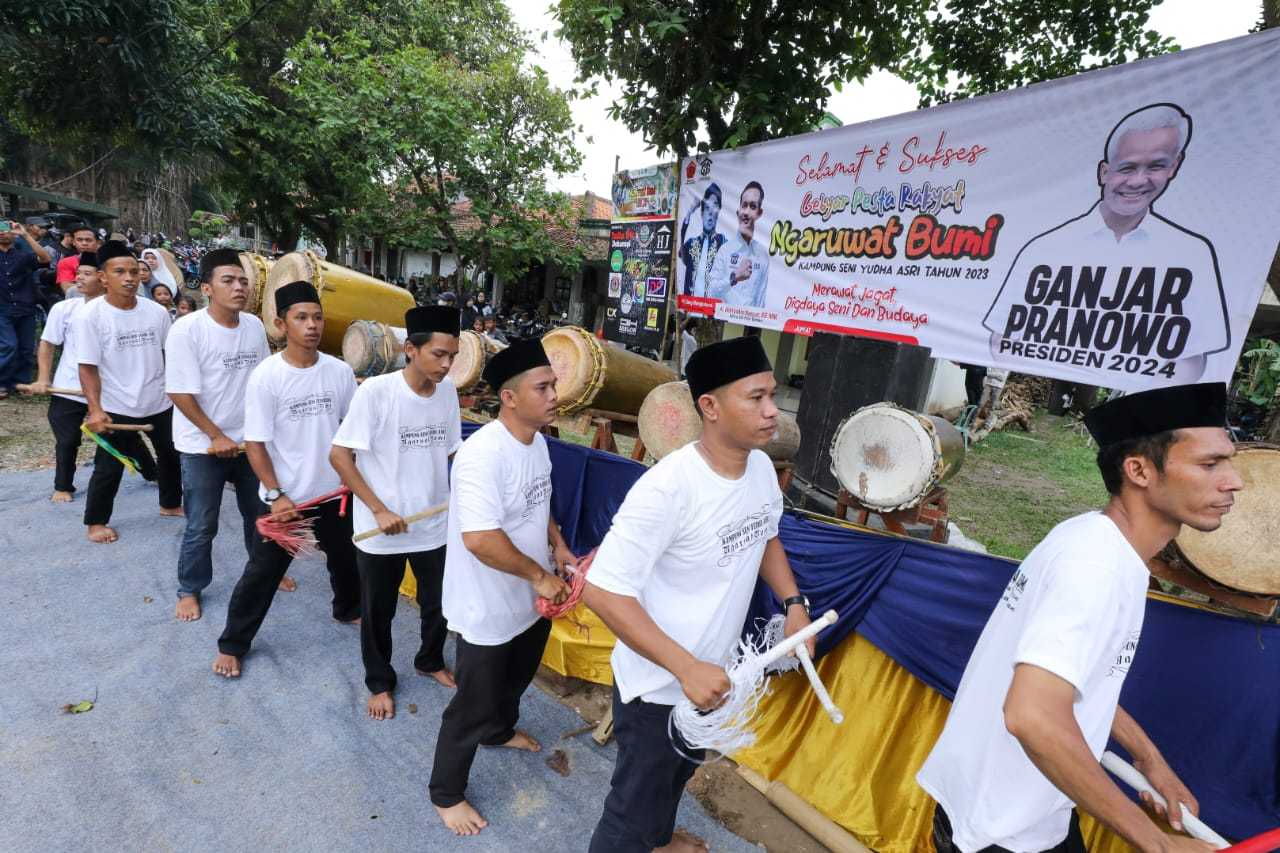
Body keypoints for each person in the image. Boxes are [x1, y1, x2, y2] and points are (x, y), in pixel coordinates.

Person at [917, 382, 1241, 853]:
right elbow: (1031, 715)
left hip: (1030, 809)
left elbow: (1080, 677)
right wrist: (1157, 842)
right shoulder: (1095, 567)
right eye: (1210, 464)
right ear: (1139, 470)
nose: (1234, 480)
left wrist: (1149, 759)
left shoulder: (1098, 539)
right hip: (999, 830)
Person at [583, 336, 811, 853]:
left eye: (772, 395)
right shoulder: (668, 489)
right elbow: (603, 592)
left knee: (675, 778)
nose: (773, 412)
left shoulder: (757, 467)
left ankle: (659, 841)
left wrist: (794, 605)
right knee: (630, 812)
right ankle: (644, 838)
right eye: (755, 398)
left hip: (712, 677)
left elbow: (765, 532)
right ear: (709, 406)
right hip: (659, 688)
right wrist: (685, 668)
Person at [429, 338, 574, 836]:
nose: (555, 394)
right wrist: (539, 575)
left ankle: (498, 730)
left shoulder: (537, 442)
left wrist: (558, 547)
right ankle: (446, 793)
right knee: (472, 703)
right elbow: (480, 539)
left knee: (515, 679)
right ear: (510, 398)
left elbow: (542, 502)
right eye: (543, 387)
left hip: (530, 598)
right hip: (487, 605)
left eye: (553, 384)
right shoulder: (481, 456)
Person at [982, 104, 1226, 387]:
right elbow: (1002, 339)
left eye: (1156, 166)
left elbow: (1193, 359)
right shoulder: (1043, 249)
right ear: (1104, 172)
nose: (1137, 181)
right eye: (1127, 167)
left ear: (1174, 166)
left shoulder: (1192, 255)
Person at [212, 280, 360, 678]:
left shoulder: (340, 372)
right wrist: (276, 494)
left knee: (346, 560)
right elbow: (256, 444)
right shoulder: (267, 377)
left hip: (334, 494)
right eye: (301, 318)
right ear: (281, 324)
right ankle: (233, 644)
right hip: (286, 501)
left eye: (317, 317)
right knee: (262, 574)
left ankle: (347, 610)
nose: (311, 325)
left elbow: (351, 430)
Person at [331, 306, 462, 721]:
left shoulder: (449, 392)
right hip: (381, 528)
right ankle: (379, 681)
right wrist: (379, 508)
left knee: (438, 604)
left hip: (433, 526)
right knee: (378, 611)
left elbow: (454, 451)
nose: (446, 364)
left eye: (452, 356)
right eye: (439, 354)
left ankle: (429, 659)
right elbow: (340, 455)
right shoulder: (376, 392)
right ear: (410, 349)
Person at [166, 249, 277, 623]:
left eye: (243, 280)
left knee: (258, 514)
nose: (238, 287)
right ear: (207, 287)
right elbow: (180, 392)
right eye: (228, 280)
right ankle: (189, 588)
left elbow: (263, 381)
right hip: (202, 445)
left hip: (249, 442)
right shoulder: (187, 329)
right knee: (202, 524)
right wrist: (215, 435)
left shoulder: (254, 326)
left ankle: (261, 572)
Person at [75, 241, 182, 543]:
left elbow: (169, 355)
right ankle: (96, 523)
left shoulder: (157, 313)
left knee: (171, 456)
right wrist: (95, 409)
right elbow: (87, 368)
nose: (129, 277)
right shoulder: (91, 316)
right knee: (109, 467)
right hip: (117, 405)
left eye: (134, 271)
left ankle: (170, 504)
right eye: (119, 271)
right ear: (103, 277)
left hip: (160, 400)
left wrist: (176, 391)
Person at [21, 252, 104, 501]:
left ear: (104, 278)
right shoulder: (64, 308)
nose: (78, 279)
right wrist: (44, 378)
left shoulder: (116, 310)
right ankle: (63, 485)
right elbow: (47, 344)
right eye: (78, 273)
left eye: (86, 274)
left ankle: (151, 472)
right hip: (68, 387)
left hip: (108, 389)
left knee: (119, 439)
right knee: (67, 441)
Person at [0, 220, 52, 398]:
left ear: (13, 234)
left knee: (26, 349)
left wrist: (25, 234)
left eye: (5, 230)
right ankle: (2, 383)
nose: (2, 233)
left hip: (25, 307)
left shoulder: (23, 255)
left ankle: (19, 384)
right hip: (2, 309)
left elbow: (45, 259)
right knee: (8, 345)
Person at [708, 182, 768, 308]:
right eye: (744, 205)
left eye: (752, 206)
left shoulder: (762, 254)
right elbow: (710, 292)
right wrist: (734, 277)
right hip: (725, 322)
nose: (746, 212)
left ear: (759, 213)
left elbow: (760, 301)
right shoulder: (725, 250)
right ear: (738, 211)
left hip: (750, 322)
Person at [679, 183, 726, 298]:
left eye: (714, 206)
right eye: (707, 208)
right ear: (701, 213)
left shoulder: (723, 243)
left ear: (719, 211)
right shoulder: (691, 243)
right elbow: (682, 254)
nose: (710, 212)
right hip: (690, 305)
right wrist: (689, 212)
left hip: (710, 309)